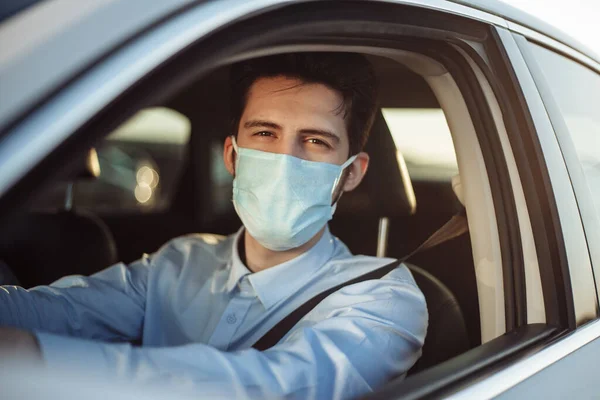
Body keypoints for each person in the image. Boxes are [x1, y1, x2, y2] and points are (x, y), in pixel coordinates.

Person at [0, 53, 427, 399]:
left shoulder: (383, 298)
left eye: (315, 141)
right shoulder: (181, 261)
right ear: (232, 156)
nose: (285, 161)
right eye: (264, 133)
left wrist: (29, 358)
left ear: (351, 173)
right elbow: (63, 311)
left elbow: (282, 387)